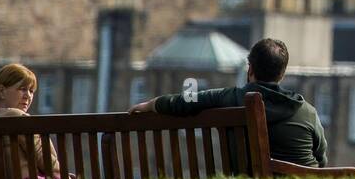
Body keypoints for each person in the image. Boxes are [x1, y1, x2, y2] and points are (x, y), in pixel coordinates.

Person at [130, 38, 328, 168]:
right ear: (282, 74)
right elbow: (321, 158)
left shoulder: (230, 98)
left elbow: (185, 101)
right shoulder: (307, 111)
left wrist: (150, 105)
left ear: (250, 69)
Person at [0, 63, 67, 179]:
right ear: (1, 91)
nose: (28, 96)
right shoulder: (18, 118)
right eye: (22, 89)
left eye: (31, 91)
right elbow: (43, 156)